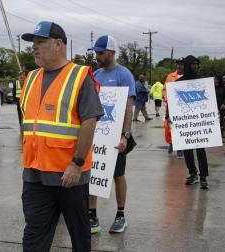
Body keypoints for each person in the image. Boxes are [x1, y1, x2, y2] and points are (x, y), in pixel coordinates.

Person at [19, 21, 103, 251]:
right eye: (32, 43)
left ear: (58, 44)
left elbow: (90, 121)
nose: (34, 47)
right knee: (34, 235)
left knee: (79, 235)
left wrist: (76, 164)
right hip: (35, 174)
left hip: (69, 176)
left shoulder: (79, 76)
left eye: (40, 42)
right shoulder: (31, 78)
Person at [88, 35, 135, 234]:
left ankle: (121, 215)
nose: (97, 56)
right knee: (93, 174)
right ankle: (92, 216)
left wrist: (124, 135)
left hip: (116, 137)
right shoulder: (95, 75)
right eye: (96, 52)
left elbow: (128, 107)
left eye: (100, 52)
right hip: (96, 135)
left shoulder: (124, 74)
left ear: (112, 52)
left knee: (118, 175)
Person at [176, 55, 209, 190]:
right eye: (193, 64)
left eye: (197, 64)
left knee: (201, 150)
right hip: (185, 122)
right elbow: (173, 102)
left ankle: (203, 177)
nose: (195, 66)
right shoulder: (179, 82)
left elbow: (209, 101)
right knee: (187, 151)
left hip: (199, 123)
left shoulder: (203, 81)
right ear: (188, 65)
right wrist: (168, 116)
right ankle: (193, 173)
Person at [163, 57, 185, 158]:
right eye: (178, 64)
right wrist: (168, 99)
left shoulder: (188, 76)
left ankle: (180, 148)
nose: (180, 66)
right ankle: (172, 143)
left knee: (181, 127)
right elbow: (165, 90)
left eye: (182, 64)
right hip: (171, 106)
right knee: (169, 127)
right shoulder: (170, 76)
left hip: (184, 107)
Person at [214, 74, 225, 139]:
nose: (214, 80)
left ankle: (222, 134)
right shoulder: (211, 87)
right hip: (213, 107)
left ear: (218, 80)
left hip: (221, 107)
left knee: (221, 121)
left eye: (215, 79)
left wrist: (224, 104)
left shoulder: (224, 88)